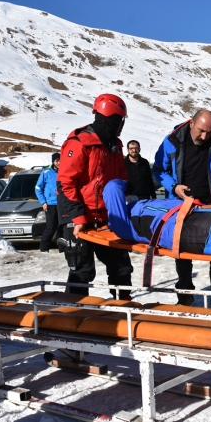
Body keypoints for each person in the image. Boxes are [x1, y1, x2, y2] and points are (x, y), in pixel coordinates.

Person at [152, 109, 211, 310]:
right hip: (182, 206)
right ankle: (185, 298)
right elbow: (158, 170)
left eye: (208, 132)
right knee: (182, 254)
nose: (204, 137)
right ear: (191, 123)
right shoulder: (172, 140)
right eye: (201, 131)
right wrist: (173, 187)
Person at [57, 93, 133, 300]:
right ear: (112, 118)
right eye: (120, 120)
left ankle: (123, 310)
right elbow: (65, 184)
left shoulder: (115, 146)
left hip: (108, 220)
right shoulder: (80, 143)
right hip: (79, 219)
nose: (122, 125)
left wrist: (126, 197)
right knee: (81, 270)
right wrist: (78, 218)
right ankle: (73, 316)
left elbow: (121, 179)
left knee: (121, 268)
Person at [35, 152, 61, 253]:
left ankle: (62, 248)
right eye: (56, 161)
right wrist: (43, 202)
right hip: (50, 204)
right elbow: (38, 188)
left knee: (62, 227)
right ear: (53, 162)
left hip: (62, 204)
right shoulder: (46, 172)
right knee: (51, 227)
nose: (59, 162)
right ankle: (44, 248)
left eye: (60, 160)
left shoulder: (64, 171)